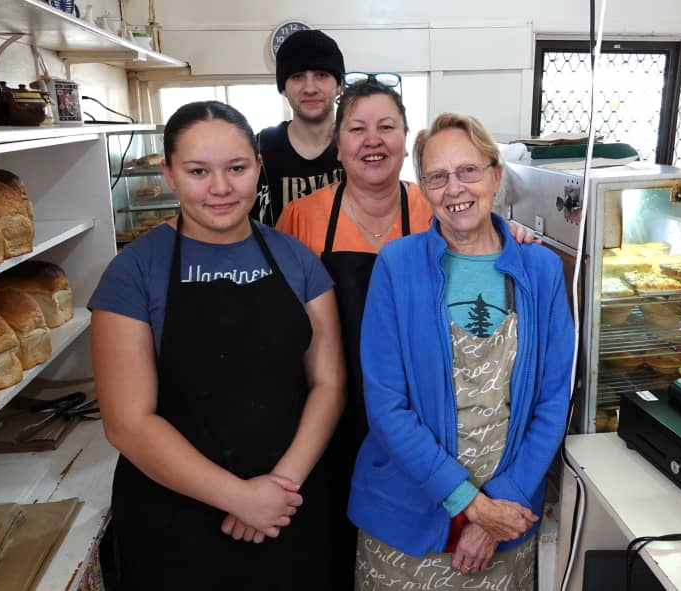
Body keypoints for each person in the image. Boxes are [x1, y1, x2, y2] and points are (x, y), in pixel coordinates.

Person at [277, 78, 536, 588]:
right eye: (356, 128)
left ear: (404, 140)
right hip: (329, 422)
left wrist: (515, 234)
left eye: (386, 126)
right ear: (338, 142)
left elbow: (484, 257)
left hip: (423, 429)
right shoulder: (303, 217)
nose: (372, 139)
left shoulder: (437, 206)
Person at [89, 100, 345, 590]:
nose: (221, 188)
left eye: (237, 168)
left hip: (289, 509)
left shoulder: (298, 261)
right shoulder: (134, 273)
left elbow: (328, 383)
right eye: (198, 171)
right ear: (168, 173)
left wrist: (278, 489)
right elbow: (128, 423)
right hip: (175, 518)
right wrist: (238, 497)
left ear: (259, 167)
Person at [348, 112, 574, 590]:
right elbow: (387, 407)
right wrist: (474, 507)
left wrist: (499, 509)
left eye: (469, 170)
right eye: (438, 176)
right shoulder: (397, 265)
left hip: (507, 518)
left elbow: (553, 401)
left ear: (495, 175)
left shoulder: (540, 269)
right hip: (406, 521)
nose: (455, 189)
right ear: (424, 188)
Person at [253, 29, 345, 225]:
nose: (310, 88)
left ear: (339, 85)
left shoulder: (358, 144)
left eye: (321, 75)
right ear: (283, 88)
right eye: (297, 76)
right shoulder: (261, 148)